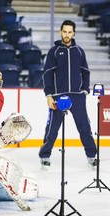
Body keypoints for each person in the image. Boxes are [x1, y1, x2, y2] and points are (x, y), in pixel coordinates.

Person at [39, 20, 97, 167]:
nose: (67, 35)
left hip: (77, 96)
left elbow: (85, 72)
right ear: (60, 32)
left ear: (74, 33)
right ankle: (45, 155)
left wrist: (84, 90)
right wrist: (49, 95)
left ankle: (91, 155)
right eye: (64, 31)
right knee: (52, 128)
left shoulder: (79, 51)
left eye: (70, 32)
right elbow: (47, 74)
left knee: (84, 127)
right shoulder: (54, 51)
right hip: (58, 96)